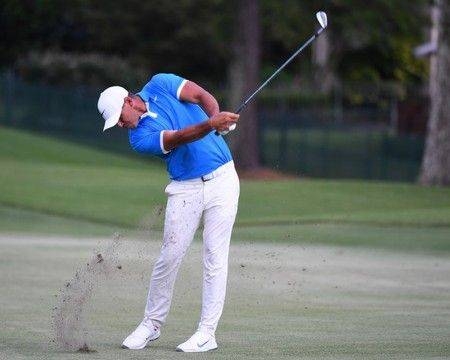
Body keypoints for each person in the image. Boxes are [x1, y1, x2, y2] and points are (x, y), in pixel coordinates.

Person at [97, 73, 240, 352]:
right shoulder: (139, 138)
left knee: (215, 257)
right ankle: (151, 325)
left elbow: (201, 95)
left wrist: (217, 120)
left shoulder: (161, 83)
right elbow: (179, 137)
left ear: (129, 101)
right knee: (169, 256)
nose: (122, 125)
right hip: (185, 188)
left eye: (120, 118)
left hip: (223, 179)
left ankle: (207, 333)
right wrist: (212, 123)